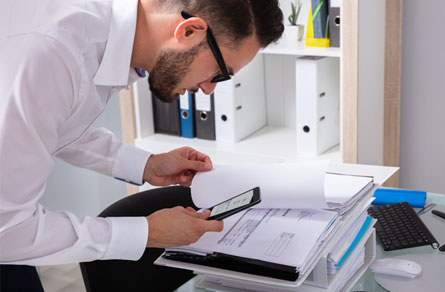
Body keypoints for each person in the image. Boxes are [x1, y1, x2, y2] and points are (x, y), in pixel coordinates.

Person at [0, 0, 283, 270]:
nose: (210, 90)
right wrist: (146, 232)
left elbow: (53, 123)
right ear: (188, 31)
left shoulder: (102, 38)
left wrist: (146, 165)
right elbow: (7, 230)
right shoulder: (51, 50)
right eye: (220, 74)